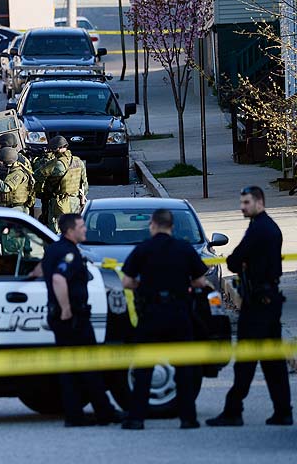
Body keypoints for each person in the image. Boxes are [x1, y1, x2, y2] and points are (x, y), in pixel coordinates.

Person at [206, 186, 293, 427]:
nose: (242, 207)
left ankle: (233, 411)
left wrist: (242, 263)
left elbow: (234, 260)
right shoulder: (268, 227)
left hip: (257, 307)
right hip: (268, 302)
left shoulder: (259, 230)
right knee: (273, 363)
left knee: (246, 362)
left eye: (246, 202)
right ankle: (283, 411)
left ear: (259, 202)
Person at [119, 209, 208, 430]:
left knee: (144, 369)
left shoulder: (143, 249)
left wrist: (144, 287)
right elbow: (199, 282)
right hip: (179, 313)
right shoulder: (184, 248)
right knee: (184, 369)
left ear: (153, 225)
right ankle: (188, 419)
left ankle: (136, 418)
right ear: (172, 226)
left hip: (151, 314)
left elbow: (127, 282)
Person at [42, 213, 123, 427]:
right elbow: (59, 279)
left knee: (70, 370)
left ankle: (76, 415)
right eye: (81, 226)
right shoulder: (68, 253)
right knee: (89, 367)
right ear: (70, 230)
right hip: (74, 319)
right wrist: (66, 308)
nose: (85, 229)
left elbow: (41, 269)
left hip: (61, 320)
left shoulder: (53, 249)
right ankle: (103, 412)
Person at [35, 136, 88, 233]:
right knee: (74, 229)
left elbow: (38, 176)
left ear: (57, 149)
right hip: (76, 201)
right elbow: (84, 184)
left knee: (56, 230)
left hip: (60, 203)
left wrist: (41, 162)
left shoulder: (57, 164)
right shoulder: (78, 161)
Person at [0, 133, 36, 216]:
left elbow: (5, 185)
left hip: (15, 201)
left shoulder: (10, 160)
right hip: (23, 200)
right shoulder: (22, 159)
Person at [0, 147, 33, 214]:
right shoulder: (11, 170)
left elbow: (5, 188)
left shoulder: (18, 173)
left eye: (1, 161)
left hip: (18, 208)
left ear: (7, 162)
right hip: (11, 208)